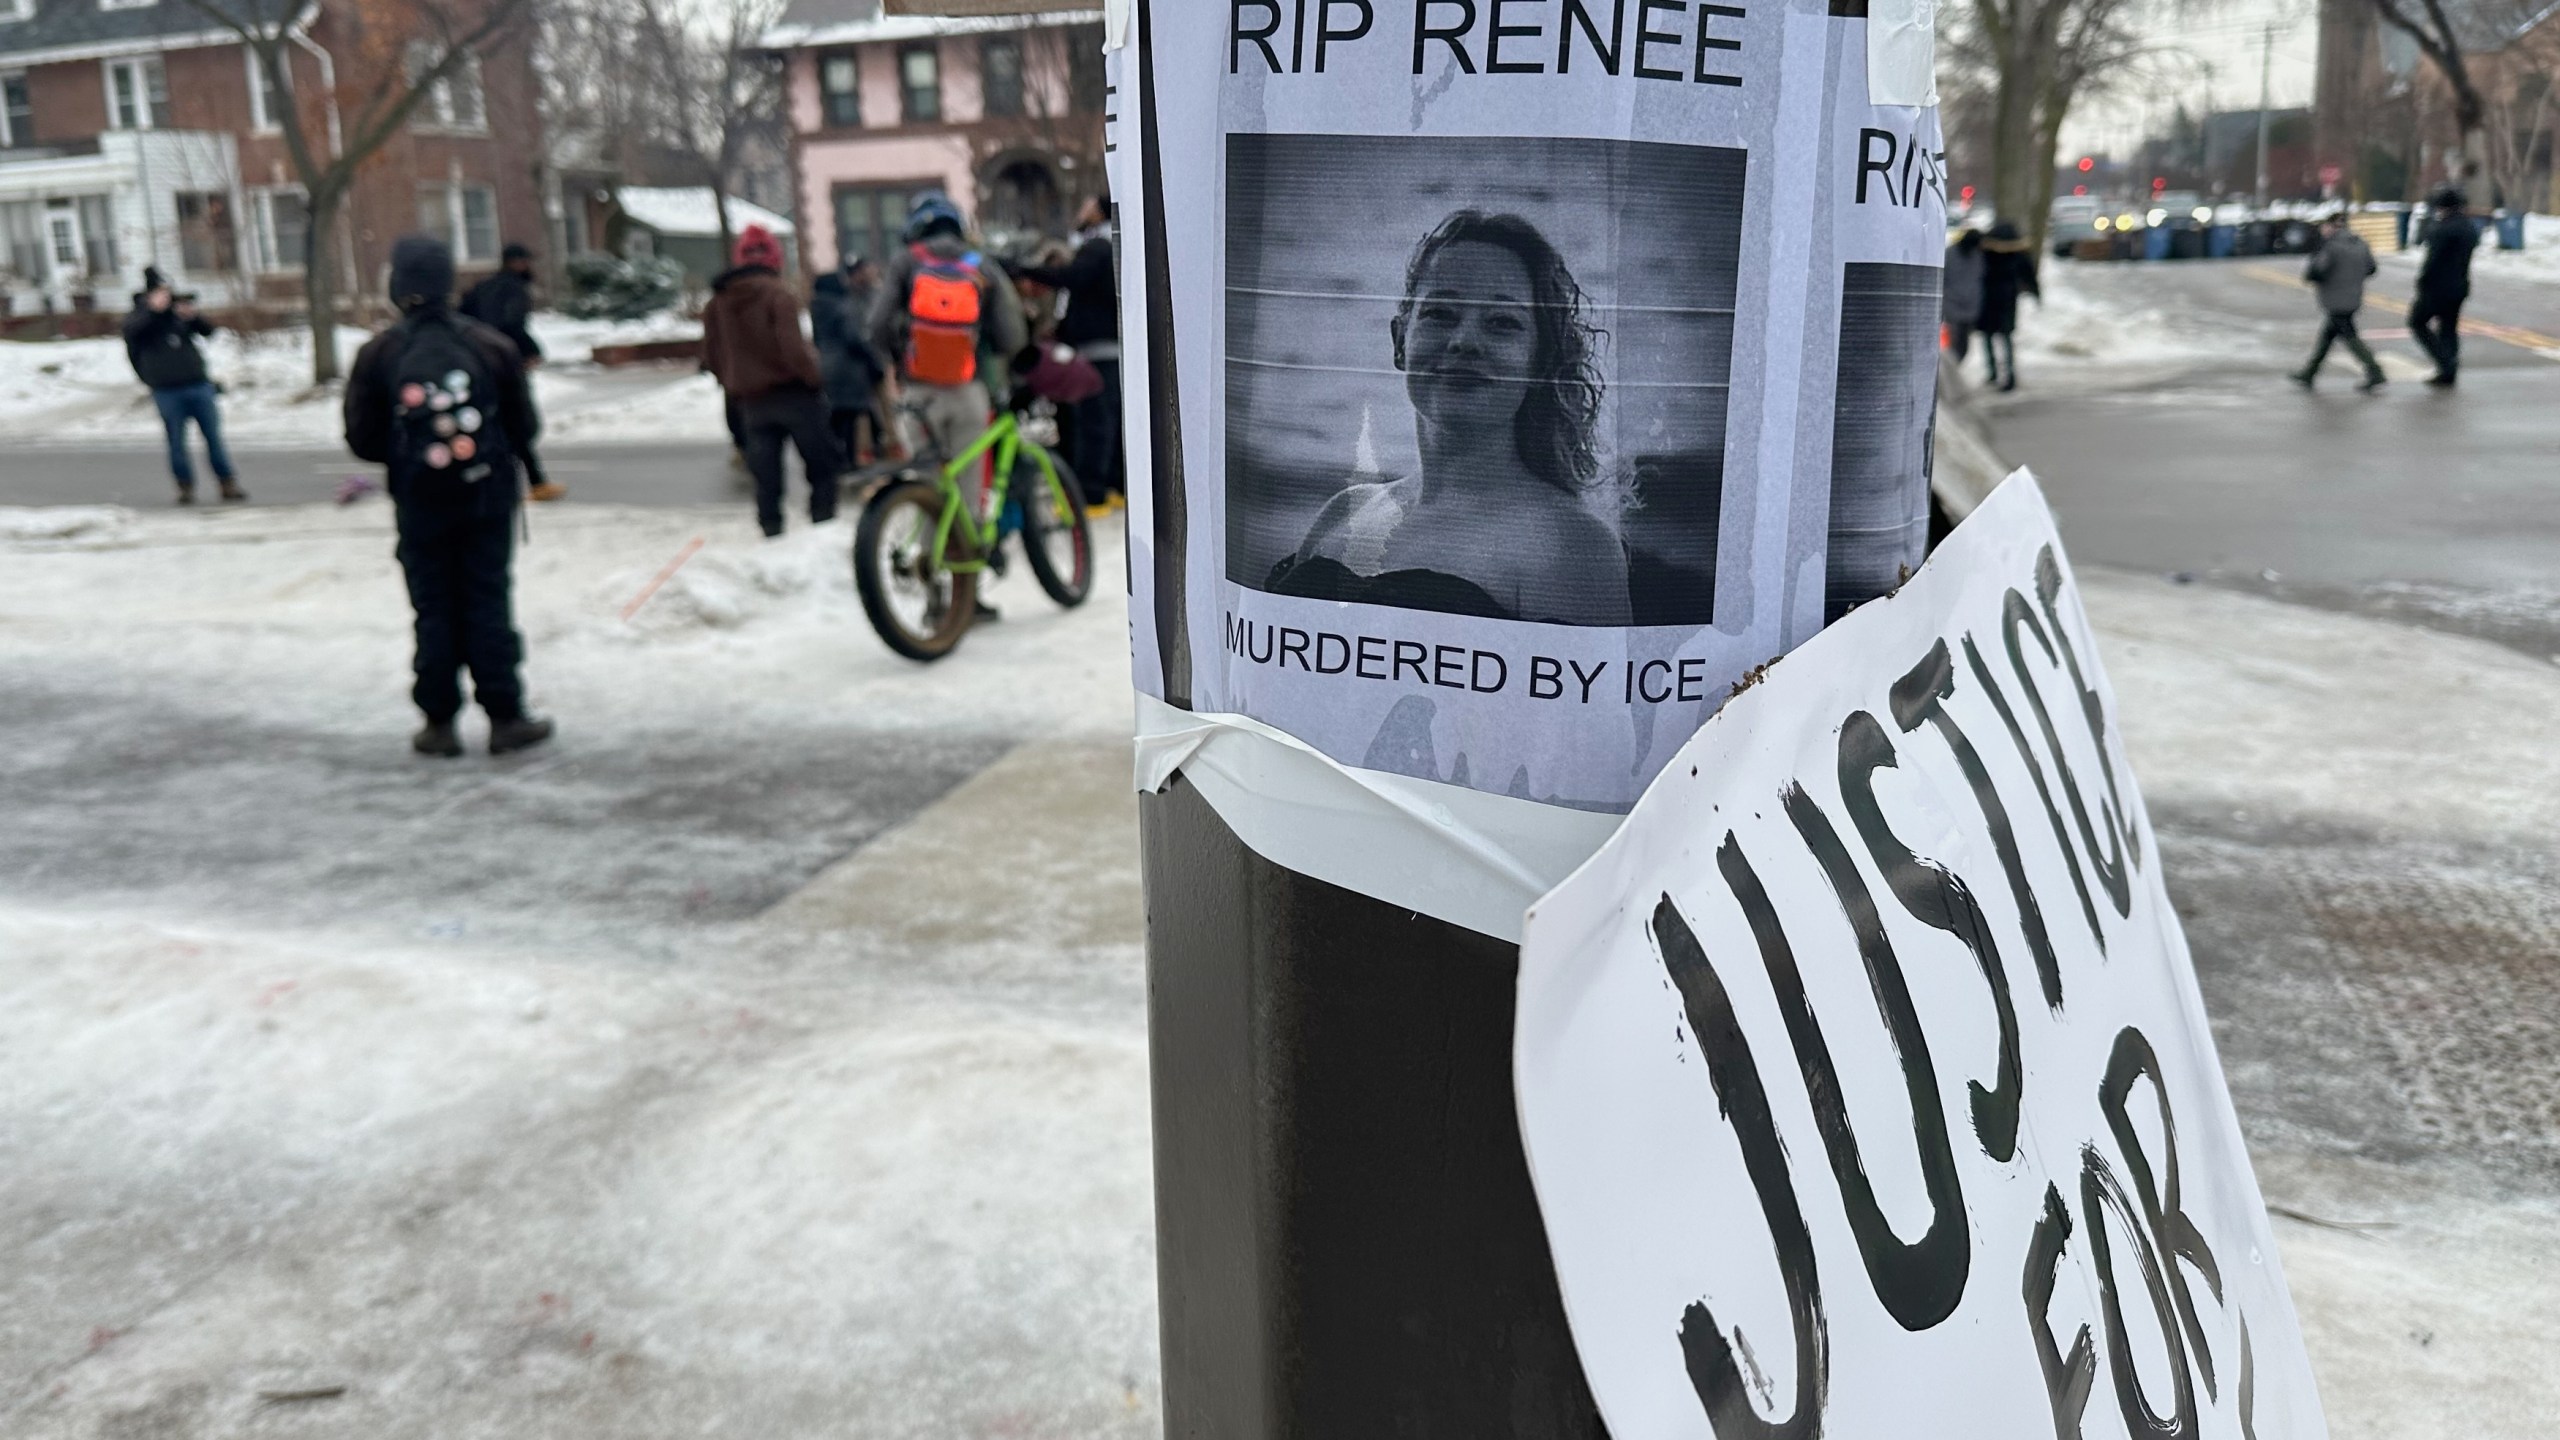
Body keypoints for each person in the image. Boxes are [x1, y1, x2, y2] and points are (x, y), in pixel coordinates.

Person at [1267, 209, 1628, 626]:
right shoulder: (1345, 511)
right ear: (1400, 341)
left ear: (1541, 361)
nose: (1465, 342)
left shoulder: (1573, 544)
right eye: (1441, 314)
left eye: (1501, 323)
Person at [345, 234, 552, 758]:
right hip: (486, 499)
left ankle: (438, 723)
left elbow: (361, 439)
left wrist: (409, 455)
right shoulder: (491, 346)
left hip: (419, 502)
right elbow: (524, 426)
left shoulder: (378, 354)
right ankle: (505, 716)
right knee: (487, 599)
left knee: (433, 606)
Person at [868, 192, 1030, 475]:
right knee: (965, 489)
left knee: (928, 488)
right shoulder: (981, 265)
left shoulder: (905, 262)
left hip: (919, 392)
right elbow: (1012, 336)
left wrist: (900, 357)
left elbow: (878, 325)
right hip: (969, 389)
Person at [703, 224, 841, 537]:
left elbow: (711, 354)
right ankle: (822, 528)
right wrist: (815, 377)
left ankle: (772, 531)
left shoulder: (718, 302)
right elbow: (792, 348)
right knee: (821, 465)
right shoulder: (778, 294)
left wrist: (735, 380)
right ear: (774, 259)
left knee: (765, 476)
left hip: (750, 401)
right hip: (794, 395)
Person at [1016, 195, 1122, 508]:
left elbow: (1072, 280)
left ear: (1099, 210)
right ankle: (1114, 487)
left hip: (1097, 351)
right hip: (1108, 349)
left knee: (1093, 425)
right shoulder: (1109, 246)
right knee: (1109, 422)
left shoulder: (1097, 247)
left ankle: (1089, 496)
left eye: (1087, 204)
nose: (1081, 209)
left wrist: (1025, 270)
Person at [123, 266, 244, 505]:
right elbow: (133, 332)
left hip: (198, 385)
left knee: (213, 438)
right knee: (176, 442)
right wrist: (153, 311)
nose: (165, 298)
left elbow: (208, 332)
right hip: (167, 390)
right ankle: (185, 487)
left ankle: (227, 482)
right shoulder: (139, 317)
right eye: (160, 293)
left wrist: (193, 315)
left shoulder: (177, 315)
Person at [461, 241, 565, 502]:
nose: (528, 265)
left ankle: (506, 481)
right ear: (515, 262)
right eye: (525, 260)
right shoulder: (514, 289)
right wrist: (531, 350)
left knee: (489, 420)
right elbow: (511, 324)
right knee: (517, 421)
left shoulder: (482, 288)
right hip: (506, 362)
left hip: (478, 361)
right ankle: (534, 483)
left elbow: (462, 316)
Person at [809, 255, 890, 469]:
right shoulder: (843, 307)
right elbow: (854, 338)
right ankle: (850, 461)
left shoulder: (818, 308)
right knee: (855, 414)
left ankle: (840, 458)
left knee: (839, 415)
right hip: (849, 369)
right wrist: (873, 362)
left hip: (828, 366)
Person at [2291, 214, 2386, 392]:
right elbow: (2371, 268)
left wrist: (2312, 271)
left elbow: (2318, 270)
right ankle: (2309, 372)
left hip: (2335, 299)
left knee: (2349, 336)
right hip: (2353, 297)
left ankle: (2375, 371)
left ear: (2331, 227)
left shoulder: (2331, 247)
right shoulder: (2360, 243)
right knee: (2327, 337)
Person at [2410, 187, 2478, 387]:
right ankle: (2449, 369)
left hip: (2437, 286)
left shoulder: (2442, 229)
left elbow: (2432, 260)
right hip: (2459, 284)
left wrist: (2422, 281)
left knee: (2417, 322)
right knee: (2448, 327)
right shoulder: (2468, 228)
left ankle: (2445, 363)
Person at [1977, 221, 2040, 392]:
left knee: (1989, 337)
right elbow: (2028, 274)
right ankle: (2009, 375)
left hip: (1988, 299)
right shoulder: (2019, 254)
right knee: (2005, 338)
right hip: (2007, 299)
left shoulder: (1986, 252)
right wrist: (2035, 292)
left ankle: (1993, 372)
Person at [1942, 227, 1985, 366]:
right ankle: (1952, 368)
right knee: (1954, 340)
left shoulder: (1978, 255)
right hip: (1953, 304)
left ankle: (1955, 367)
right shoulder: (1950, 253)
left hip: (1969, 305)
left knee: (1964, 343)